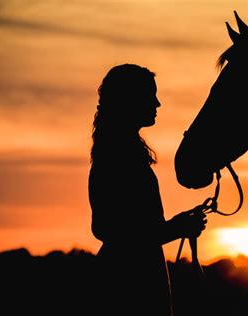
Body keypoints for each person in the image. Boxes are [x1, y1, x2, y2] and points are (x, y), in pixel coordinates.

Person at [88, 64, 207, 315]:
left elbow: (128, 228)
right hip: (127, 284)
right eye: (150, 96)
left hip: (129, 277)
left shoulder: (117, 151)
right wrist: (177, 227)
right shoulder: (117, 156)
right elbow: (107, 228)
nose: (157, 103)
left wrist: (177, 226)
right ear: (130, 100)